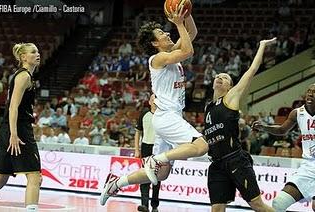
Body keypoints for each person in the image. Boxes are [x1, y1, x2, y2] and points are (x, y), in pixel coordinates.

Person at [100, 6, 209, 206]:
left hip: (170, 117)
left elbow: (192, 33)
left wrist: (186, 13)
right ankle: (155, 158)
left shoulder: (170, 54)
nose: (167, 33)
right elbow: (188, 50)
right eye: (161, 33)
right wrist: (177, 23)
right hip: (166, 117)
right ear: (154, 43)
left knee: (161, 175)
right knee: (201, 146)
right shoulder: (157, 58)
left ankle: (116, 183)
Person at [204, 37, 276, 212]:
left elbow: (252, 70)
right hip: (216, 164)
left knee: (257, 204)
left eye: (225, 77)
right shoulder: (208, 107)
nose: (220, 78)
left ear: (231, 86)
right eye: (218, 76)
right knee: (217, 209)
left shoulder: (231, 97)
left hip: (235, 159)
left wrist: (261, 46)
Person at [253, 83, 315, 212]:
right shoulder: (297, 113)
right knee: (279, 203)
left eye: (314, 92)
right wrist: (264, 127)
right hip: (309, 167)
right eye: (309, 91)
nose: (310, 93)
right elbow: (282, 130)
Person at [0, 43, 42, 211]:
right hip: (18, 130)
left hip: (9, 128)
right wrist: (14, 134)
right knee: (35, 176)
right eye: (33, 52)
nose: (37, 54)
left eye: (37, 51)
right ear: (23, 57)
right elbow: (13, 107)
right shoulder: (24, 76)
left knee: (0, 177)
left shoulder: (22, 75)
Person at [134, 101, 160, 212]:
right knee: (145, 176)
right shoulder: (144, 113)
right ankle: (144, 205)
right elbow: (138, 132)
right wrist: (136, 149)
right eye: (153, 99)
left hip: (159, 148)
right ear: (149, 102)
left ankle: (154, 205)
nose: (155, 102)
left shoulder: (163, 114)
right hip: (146, 147)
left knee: (157, 178)